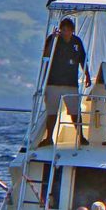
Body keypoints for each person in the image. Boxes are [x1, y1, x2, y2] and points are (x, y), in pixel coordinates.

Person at [40, 17, 91, 148]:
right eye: (63, 30)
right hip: (53, 82)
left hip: (70, 83)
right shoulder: (54, 39)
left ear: (72, 31)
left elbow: (83, 59)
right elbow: (46, 55)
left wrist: (87, 75)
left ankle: (81, 137)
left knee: (75, 111)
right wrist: (54, 39)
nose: (65, 33)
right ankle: (48, 138)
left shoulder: (77, 42)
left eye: (68, 30)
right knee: (52, 112)